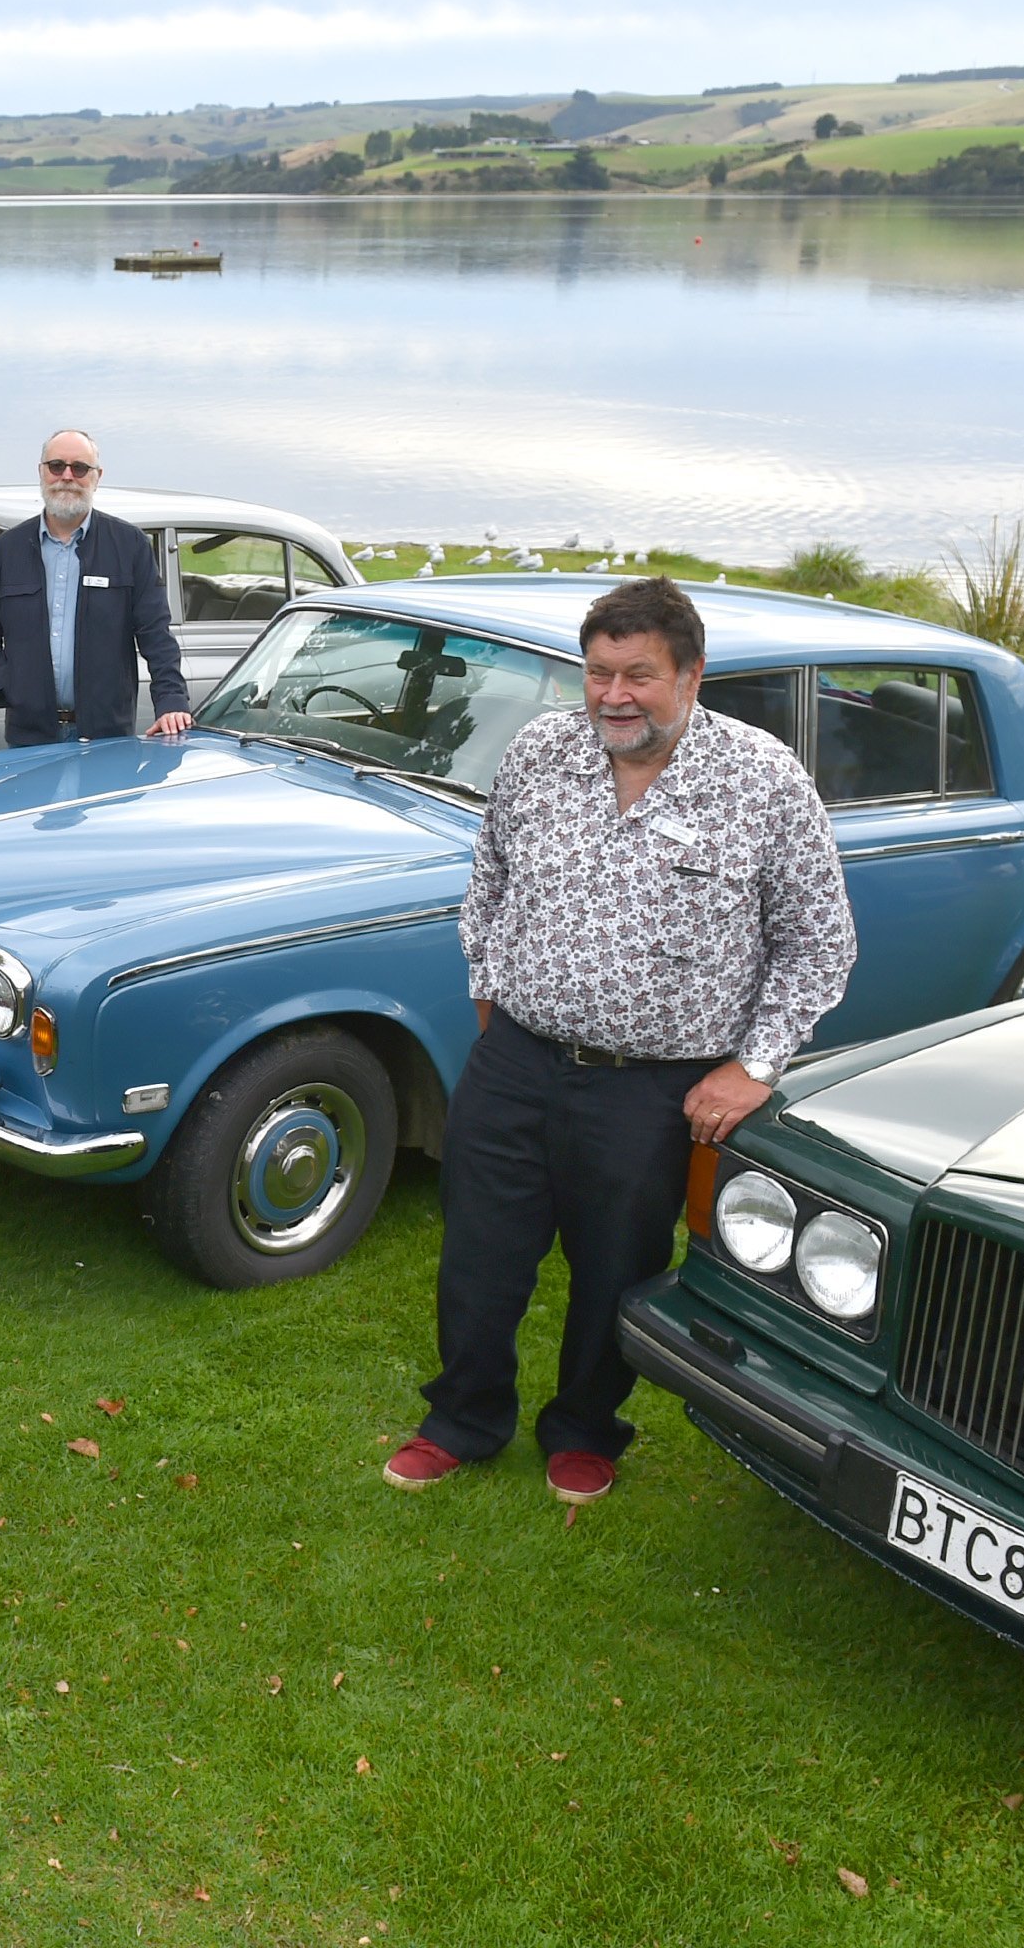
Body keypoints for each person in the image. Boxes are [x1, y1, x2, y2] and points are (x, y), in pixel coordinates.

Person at [387, 576, 854, 1506]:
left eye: (638, 674)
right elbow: (489, 879)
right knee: (480, 1253)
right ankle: (463, 1418)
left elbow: (819, 942)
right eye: (598, 672)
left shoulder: (762, 782)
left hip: (653, 1086)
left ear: (692, 675)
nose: (613, 695)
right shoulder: (540, 754)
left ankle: (587, 1429)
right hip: (516, 1061)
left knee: (616, 1266)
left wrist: (753, 1065)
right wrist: (492, 986)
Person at [0, 428, 191, 747]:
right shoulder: (6, 551)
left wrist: (172, 700)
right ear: (41, 472)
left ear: (97, 476)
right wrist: (5, 682)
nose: (67, 476)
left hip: (106, 736)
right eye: (56, 466)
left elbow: (155, 632)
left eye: (79, 468)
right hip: (31, 736)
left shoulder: (128, 546)